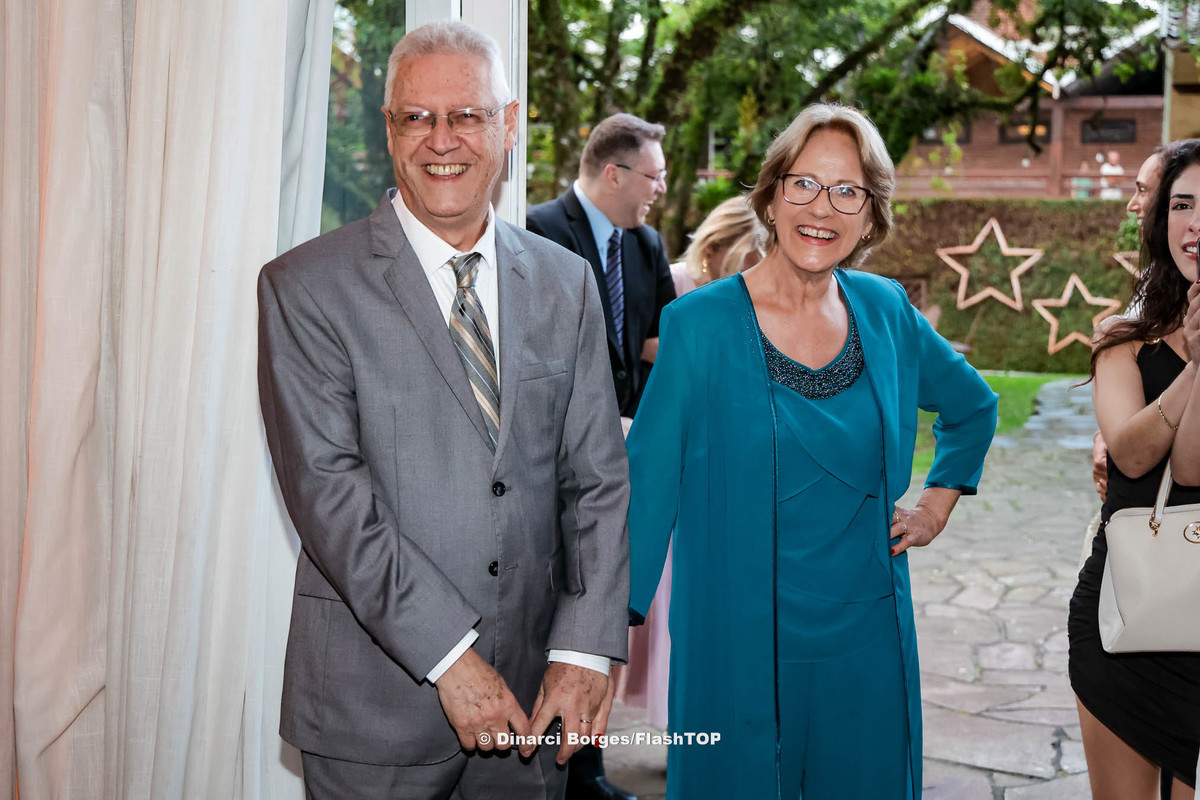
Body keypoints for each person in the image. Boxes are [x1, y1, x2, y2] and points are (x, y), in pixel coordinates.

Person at [257, 21, 630, 799]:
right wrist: (451, 658)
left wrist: (583, 649)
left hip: (532, 706)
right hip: (372, 712)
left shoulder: (565, 282)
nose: (441, 139)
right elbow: (331, 500)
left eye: (466, 114)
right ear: (389, 128)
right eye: (416, 117)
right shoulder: (305, 287)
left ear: (509, 124)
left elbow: (596, 482)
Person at [625, 103, 998, 799]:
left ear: (870, 216)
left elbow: (973, 406)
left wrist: (936, 506)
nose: (821, 207)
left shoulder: (886, 310)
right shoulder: (697, 325)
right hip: (734, 638)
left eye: (847, 191)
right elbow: (647, 487)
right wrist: (595, 640)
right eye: (803, 183)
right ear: (770, 197)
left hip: (867, 635)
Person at [1069, 138, 1200, 800]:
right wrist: (1195, 366)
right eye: (1182, 205)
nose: (1196, 223)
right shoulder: (1124, 339)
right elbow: (1133, 453)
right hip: (1127, 615)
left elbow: (1191, 465)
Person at [617, 195, 766, 729]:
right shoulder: (674, 285)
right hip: (667, 452)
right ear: (720, 244)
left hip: (721, 458)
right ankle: (677, 716)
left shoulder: (752, 298)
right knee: (663, 588)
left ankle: (693, 714)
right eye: (750, 255)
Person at [528, 113, 676, 423]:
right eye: (655, 176)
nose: (662, 188)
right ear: (614, 176)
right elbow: (534, 356)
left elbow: (661, 342)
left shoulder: (648, 243)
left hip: (636, 433)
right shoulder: (538, 232)